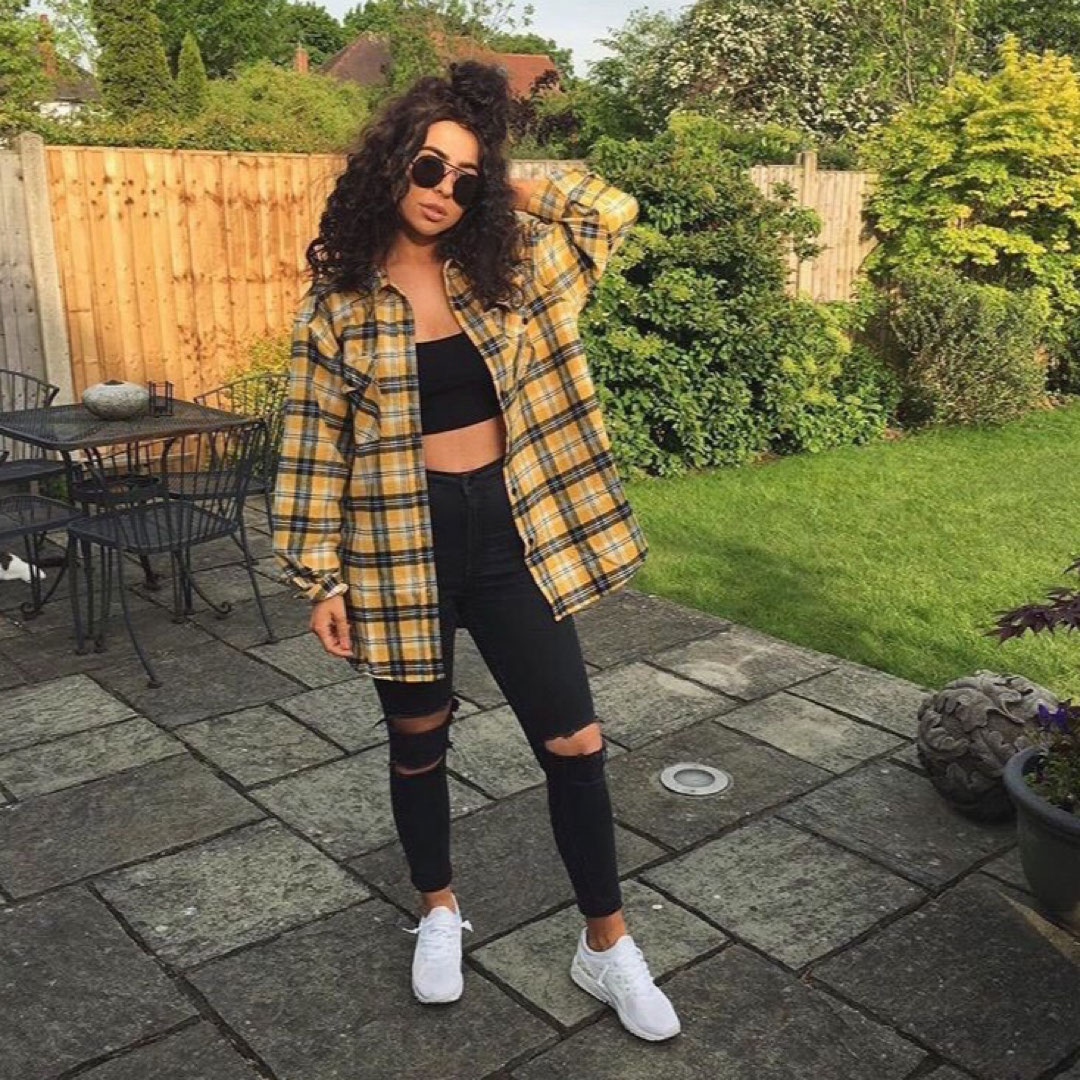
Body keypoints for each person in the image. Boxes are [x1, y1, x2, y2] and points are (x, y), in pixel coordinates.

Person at [272, 59, 680, 1042]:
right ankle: (438, 910)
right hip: (397, 543)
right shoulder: (339, 303)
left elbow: (611, 209)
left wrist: (506, 184)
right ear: (389, 164)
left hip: (511, 530)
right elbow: (311, 445)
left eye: (464, 178)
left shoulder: (515, 267)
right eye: (428, 167)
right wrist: (319, 576)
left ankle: (606, 944)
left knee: (575, 742)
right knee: (418, 742)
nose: (443, 192)